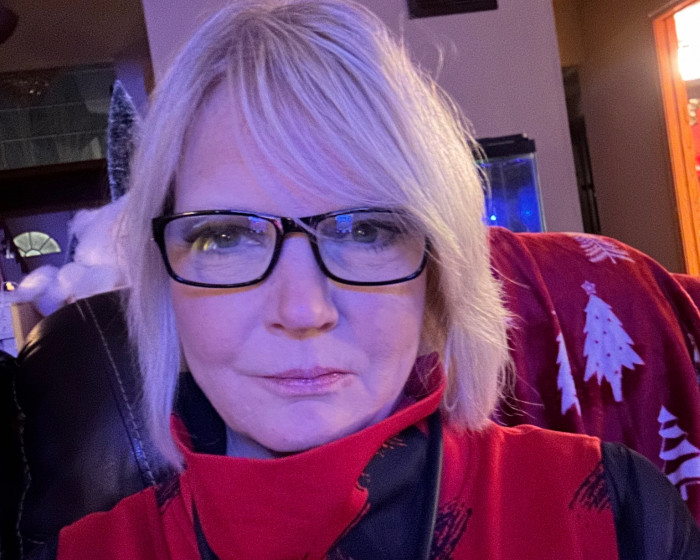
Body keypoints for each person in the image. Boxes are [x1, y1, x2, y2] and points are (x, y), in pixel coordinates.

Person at [47, 1, 699, 558]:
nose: (303, 310)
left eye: (364, 231)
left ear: (437, 281)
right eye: (226, 236)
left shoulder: (620, 515)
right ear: (166, 285)